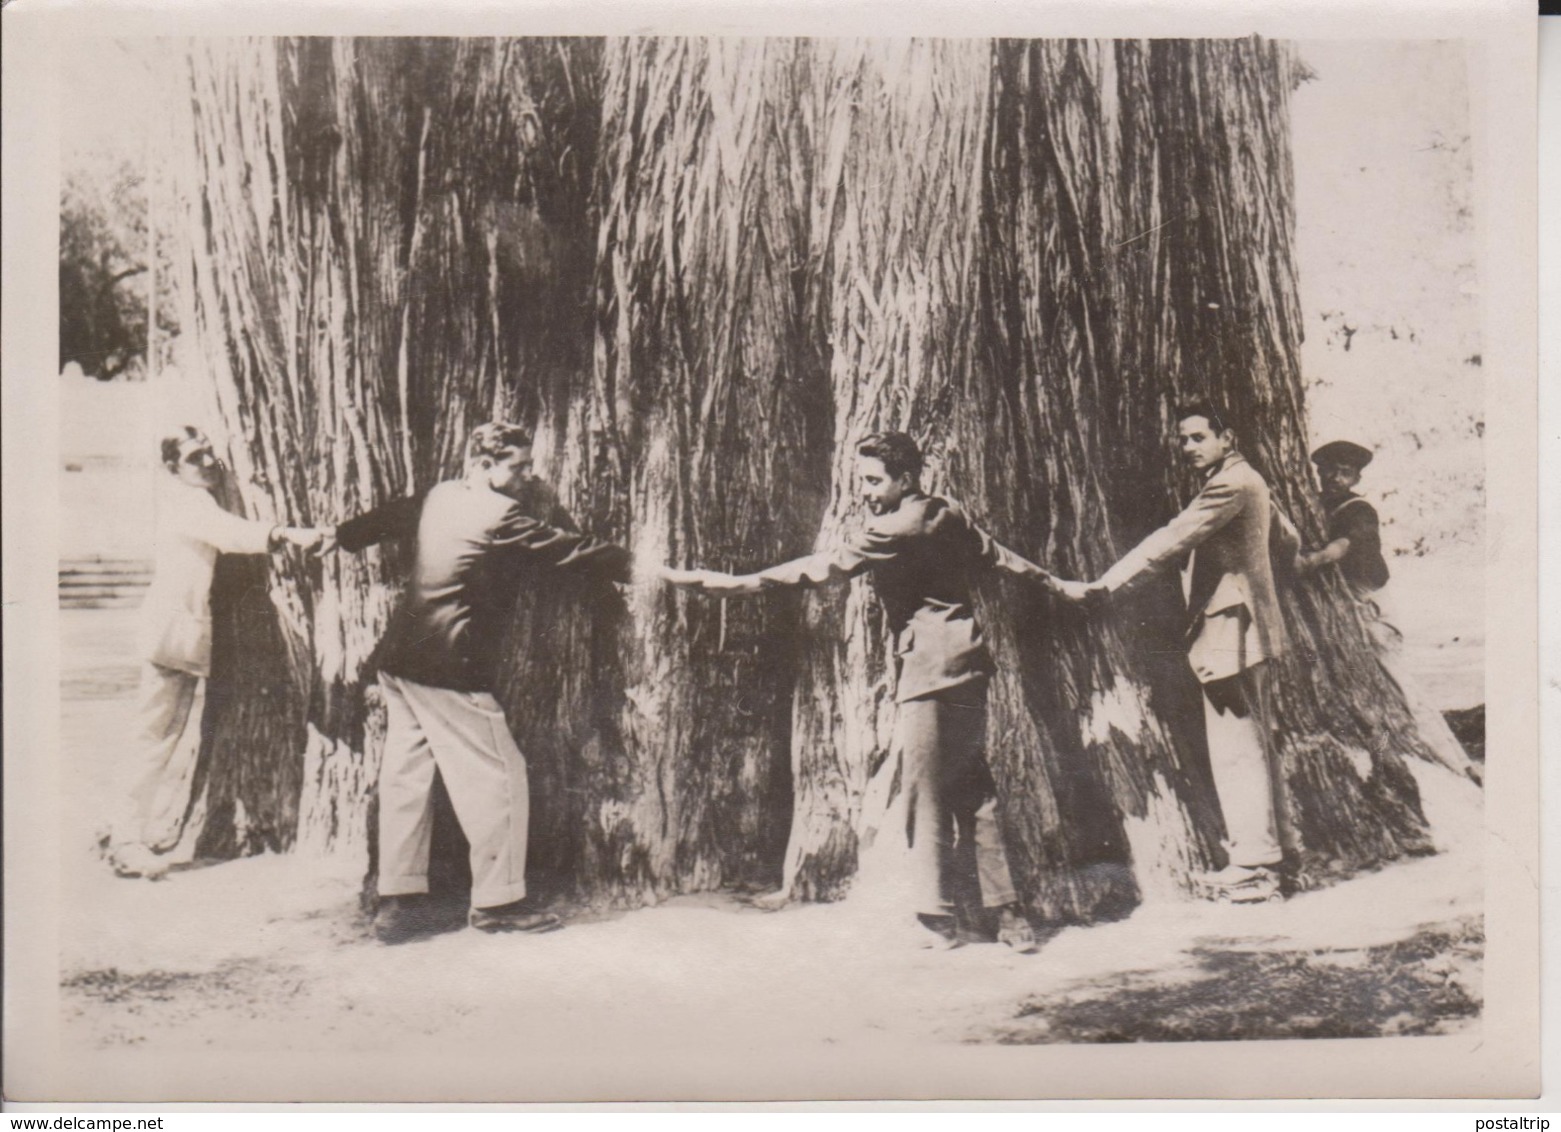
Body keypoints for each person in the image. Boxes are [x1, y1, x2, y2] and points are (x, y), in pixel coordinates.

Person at [665, 431, 1057, 952]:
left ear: (906, 479)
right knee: (976, 789)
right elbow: (997, 556)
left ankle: (937, 919)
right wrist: (1056, 584)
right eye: (861, 481)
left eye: (874, 481)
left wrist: (734, 585)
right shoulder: (948, 512)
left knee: (925, 794)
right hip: (970, 663)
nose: (865, 493)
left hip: (926, 671)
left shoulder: (893, 528)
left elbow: (822, 568)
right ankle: (1008, 916)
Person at [331, 422, 634, 944]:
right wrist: (648, 567)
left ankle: (399, 904)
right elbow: (573, 549)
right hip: (448, 666)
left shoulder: (438, 496)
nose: (527, 475)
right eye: (516, 465)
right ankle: (499, 904)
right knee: (500, 778)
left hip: (400, 661)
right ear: (483, 463)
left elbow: (370, 525)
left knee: (407, 781)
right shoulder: (500, 516)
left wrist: (339, 537)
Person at [1051, 404, 1297, 903]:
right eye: (1183, 439)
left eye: (1199, 437)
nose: (1188, 448)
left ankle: (1254, 864)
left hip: (1232, 631)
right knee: (1255, 745)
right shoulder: (1253, 480)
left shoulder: (1230, 485)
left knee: (1236, 751)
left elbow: (1172, 538)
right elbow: (1289, 538)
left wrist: (1104, 585)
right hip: (1251, 625)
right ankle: (1278, 854)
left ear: (1227, 437)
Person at [108, 427, 325, 879]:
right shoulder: (184, 501)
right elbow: (229, 534)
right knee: (155, 738)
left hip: (179, 632)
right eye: (194, 457)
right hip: (171, 635)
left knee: (160, 735)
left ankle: (122, 828)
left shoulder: (192, 497)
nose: (207, 462)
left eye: (209, 452)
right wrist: (286, 533)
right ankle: (124, 840)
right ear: (173, 467)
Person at [1299, 440, 1479, 782]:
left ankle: (1459, 764)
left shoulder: (1358, 510)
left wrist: (1312, 561)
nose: (1335, 477)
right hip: (1351, 605)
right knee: (1374, 694)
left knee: (1402, 691)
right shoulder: (1320, 504)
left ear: (1356, 477)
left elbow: (1344, 545)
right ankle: (1387, 758)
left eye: (1345, 472)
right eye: (1329, 470)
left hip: (1373, 608)